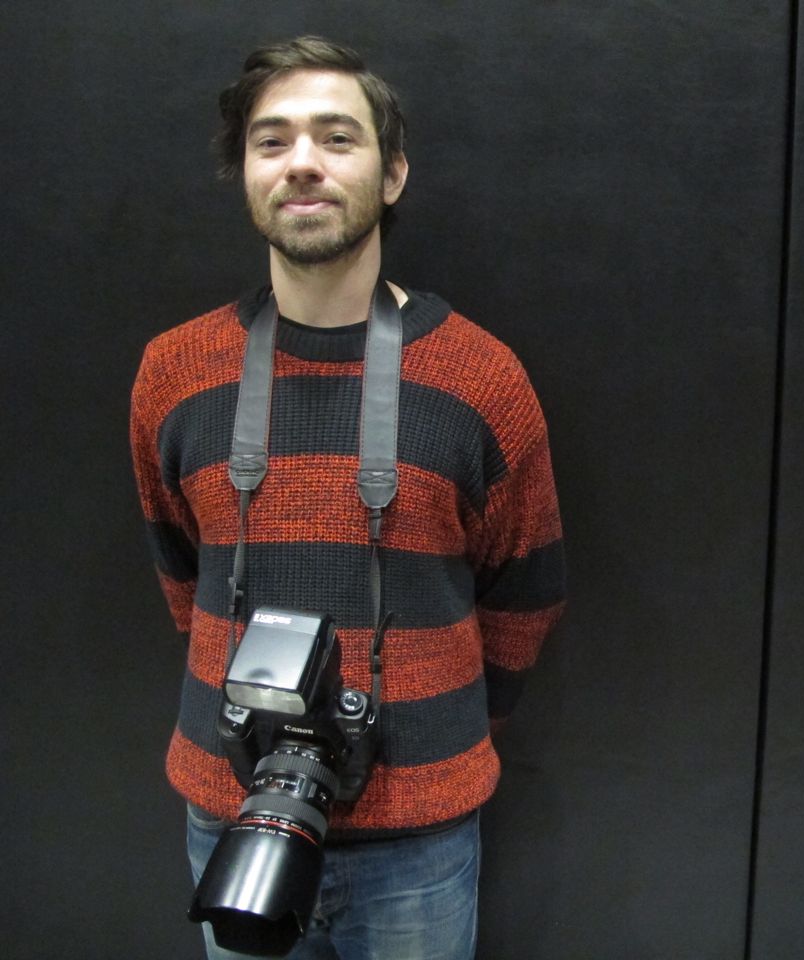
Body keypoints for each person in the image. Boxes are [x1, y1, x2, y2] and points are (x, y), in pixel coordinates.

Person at [129, 36, 566, 960]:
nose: (302, 163)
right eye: (272, 140)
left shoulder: (480, 377)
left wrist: (433, 722)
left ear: (392, 172)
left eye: (337, 137)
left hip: (418, 837)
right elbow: (179, 567)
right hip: (233, 808)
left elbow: (525, 594)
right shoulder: (175, 371)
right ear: (246, 175)